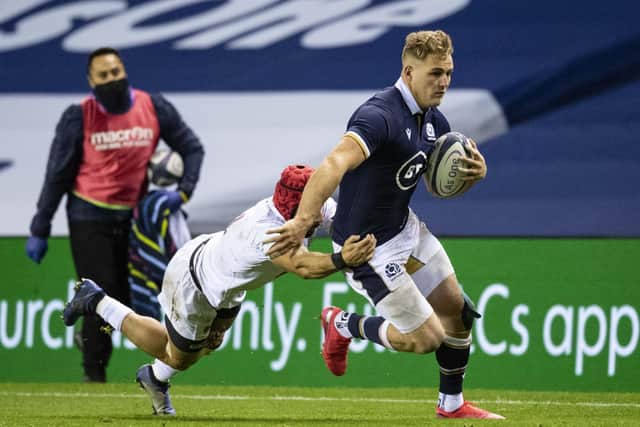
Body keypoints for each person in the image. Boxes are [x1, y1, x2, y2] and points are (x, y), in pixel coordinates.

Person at [264, 31, 504, 419]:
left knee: (458, 312)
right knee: (426, 339)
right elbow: (333, 164)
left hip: (404, 229)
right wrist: (303, 220)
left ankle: (452, 405)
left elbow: (437, 184)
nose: (443, 82)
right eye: (435, 73)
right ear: (409, 71)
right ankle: (343, 324)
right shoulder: (379, 115)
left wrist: (475, 174)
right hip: (367, 246)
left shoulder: (432, 120)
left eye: (449, 73)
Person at [62, 164, 376, 416]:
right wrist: (343, 258)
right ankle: (98, 302)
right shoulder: (267, 231)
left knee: (210, 343)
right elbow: (305, 267)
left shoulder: (304, 204)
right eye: (314, 206)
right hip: (196, 283)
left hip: (226, 281)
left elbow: (345, 219)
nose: (319, 212)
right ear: (295, 209)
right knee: (179, 356)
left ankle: (155, 378)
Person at [25, 47, 205, 382]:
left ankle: (91, 344)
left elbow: (192, 148)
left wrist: (183, 191)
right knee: (99, 291)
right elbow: (57, 174)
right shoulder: (79, 116)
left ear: (124, 71)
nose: (112, 79)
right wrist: (40, 225)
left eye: (116, 72)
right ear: (91, 81)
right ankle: (93, 374)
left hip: (136, 220)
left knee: (125, 297)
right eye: (104, 75)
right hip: (89, 217)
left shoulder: (153, 107)